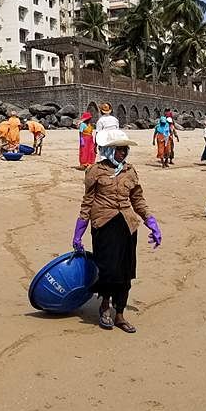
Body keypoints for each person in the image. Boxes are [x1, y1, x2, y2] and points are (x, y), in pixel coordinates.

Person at [73, 128, 160, 333]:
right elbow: (87, 203)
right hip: (104, 224)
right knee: (108, 269)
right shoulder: (95, 171)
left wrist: (151, 222)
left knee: (126, 271)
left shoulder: (130, 171)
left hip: (127, 226)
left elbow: (137, 199)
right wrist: (78, 233)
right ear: (108, 150)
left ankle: (119, 313)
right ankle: (104, 306)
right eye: (119, 149)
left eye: (125, 149)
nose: (123, 153)